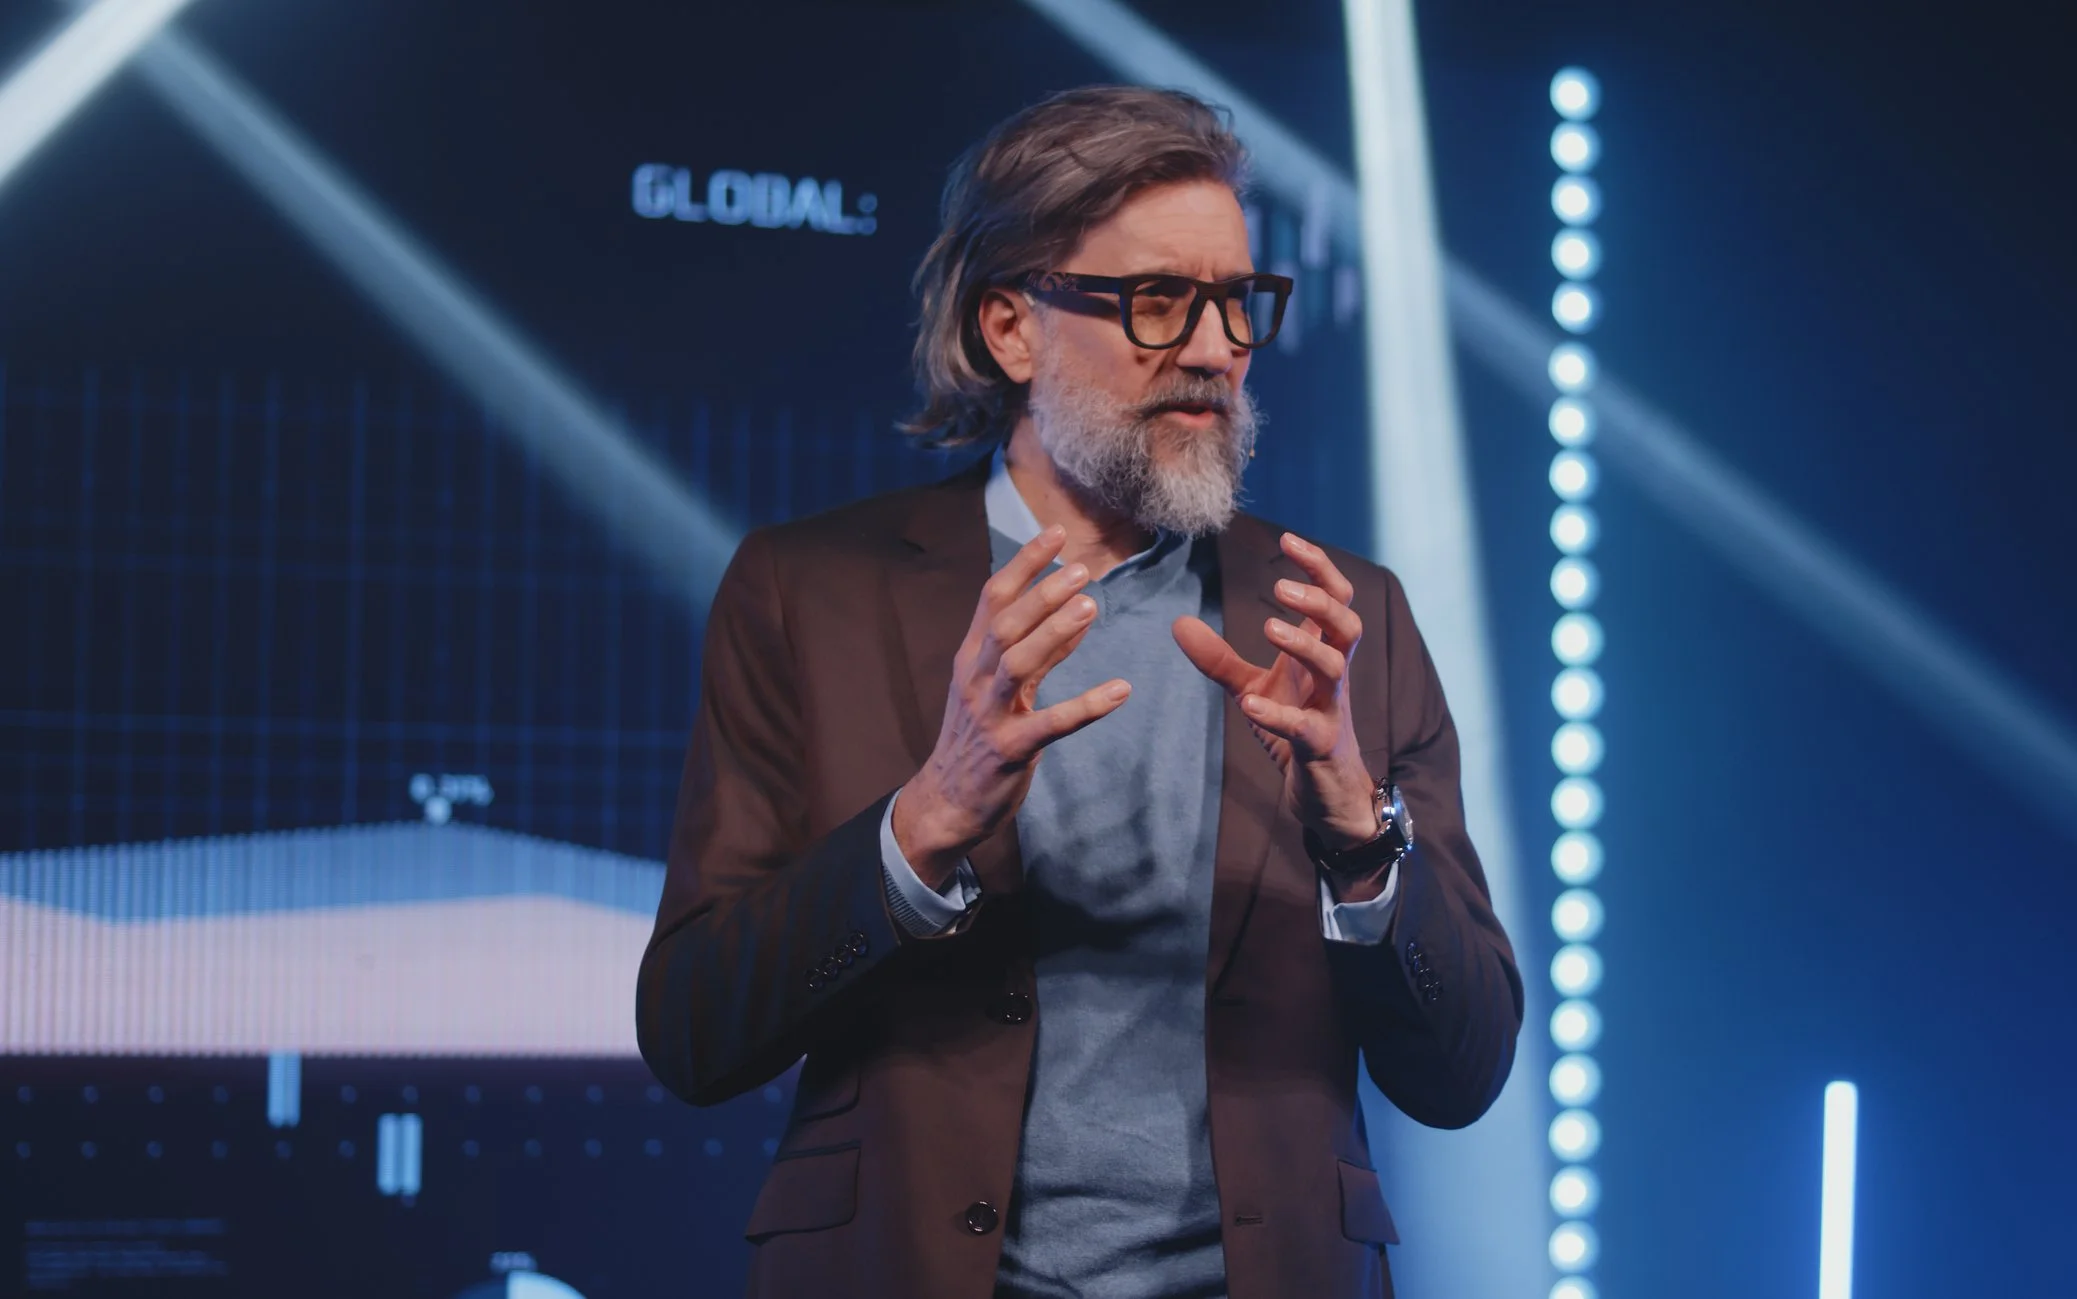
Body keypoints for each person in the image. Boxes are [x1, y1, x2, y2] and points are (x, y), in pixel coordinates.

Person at [636, 85, 1521, 1299]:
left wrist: (1359, 842)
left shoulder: (1337, 618)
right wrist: (923, 825)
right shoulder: (809, 594)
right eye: (1156, 300)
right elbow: (693, 1031)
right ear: (1012, 329)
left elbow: (1464, 1070)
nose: (1212, 349)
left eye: (1236, 302)